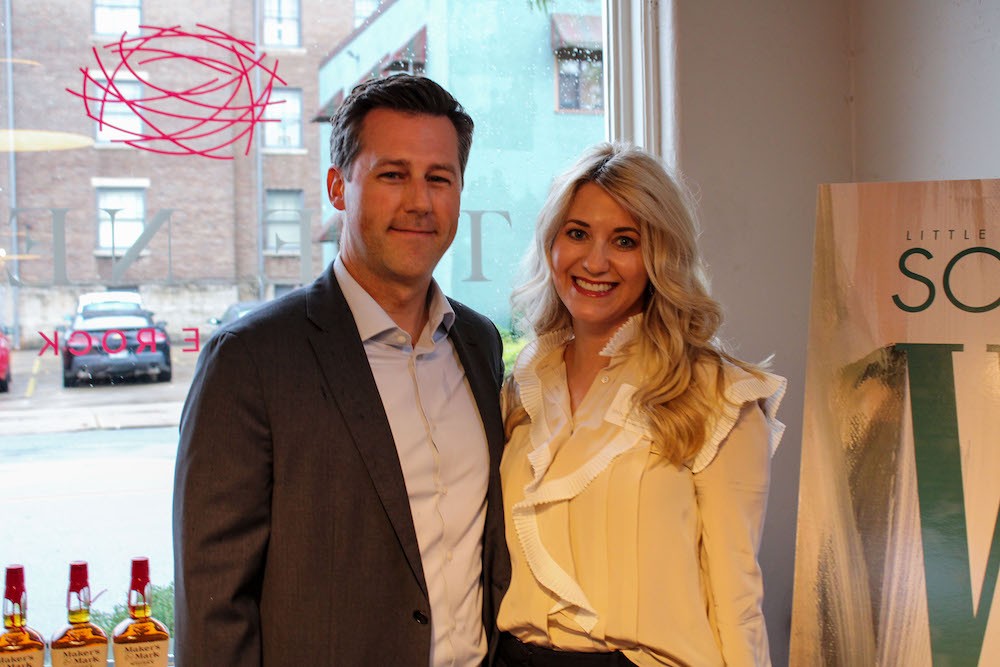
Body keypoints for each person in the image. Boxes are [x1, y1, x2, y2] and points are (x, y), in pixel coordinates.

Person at [172, 74, 509, 666]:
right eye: (392, 174)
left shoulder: (478, 344)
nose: (419, 202)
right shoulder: (251, 360)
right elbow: (213, 608)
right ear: (337, 187)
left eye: (439, 178)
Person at [496, 142, 786, 666]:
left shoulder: (715, 394)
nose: (595, 261)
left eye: (625, 241)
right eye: (577, 233)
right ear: (551, 243)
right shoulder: (521, 389)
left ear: (660, 257)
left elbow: (737, 598)